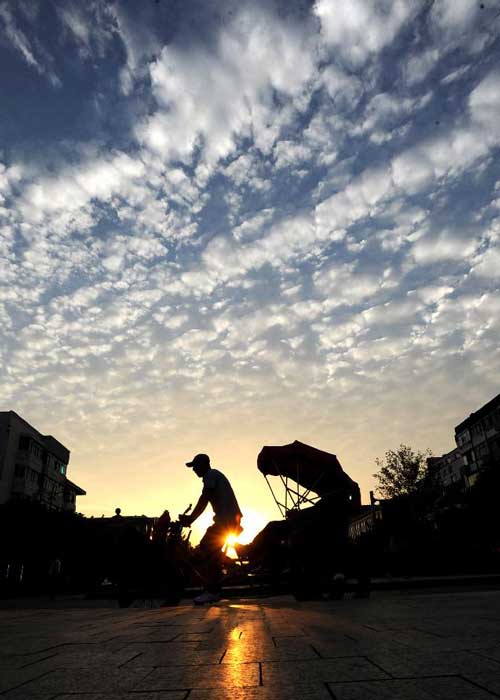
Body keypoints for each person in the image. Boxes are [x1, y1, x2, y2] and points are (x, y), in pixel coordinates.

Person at [179, 453, 242, 604]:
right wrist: (191, 518)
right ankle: (218, 580)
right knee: (210, 550)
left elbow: (204, 499)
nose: (194, 470)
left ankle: (212, 591)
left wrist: (191, 518)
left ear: (204, 465)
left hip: (226, 521)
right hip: (229, 520)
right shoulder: (214, 475)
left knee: (207, 548)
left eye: (195, 466)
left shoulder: (210, 475)